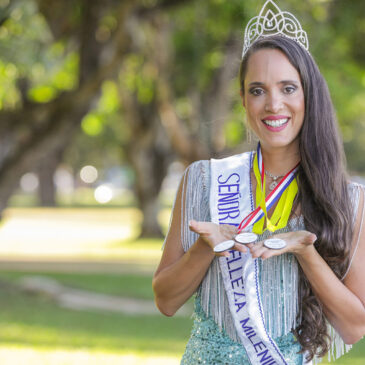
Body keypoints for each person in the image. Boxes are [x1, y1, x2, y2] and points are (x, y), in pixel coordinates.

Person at [152, 1, 365, 364]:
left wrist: (305, 251)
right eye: (257, 90)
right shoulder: (204, 181)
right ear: (243, 100)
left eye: (288, 88)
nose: (273, 104)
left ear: (308, 95)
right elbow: (166, 300)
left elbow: (354, 326)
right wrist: (205, 248)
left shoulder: (347, 198)